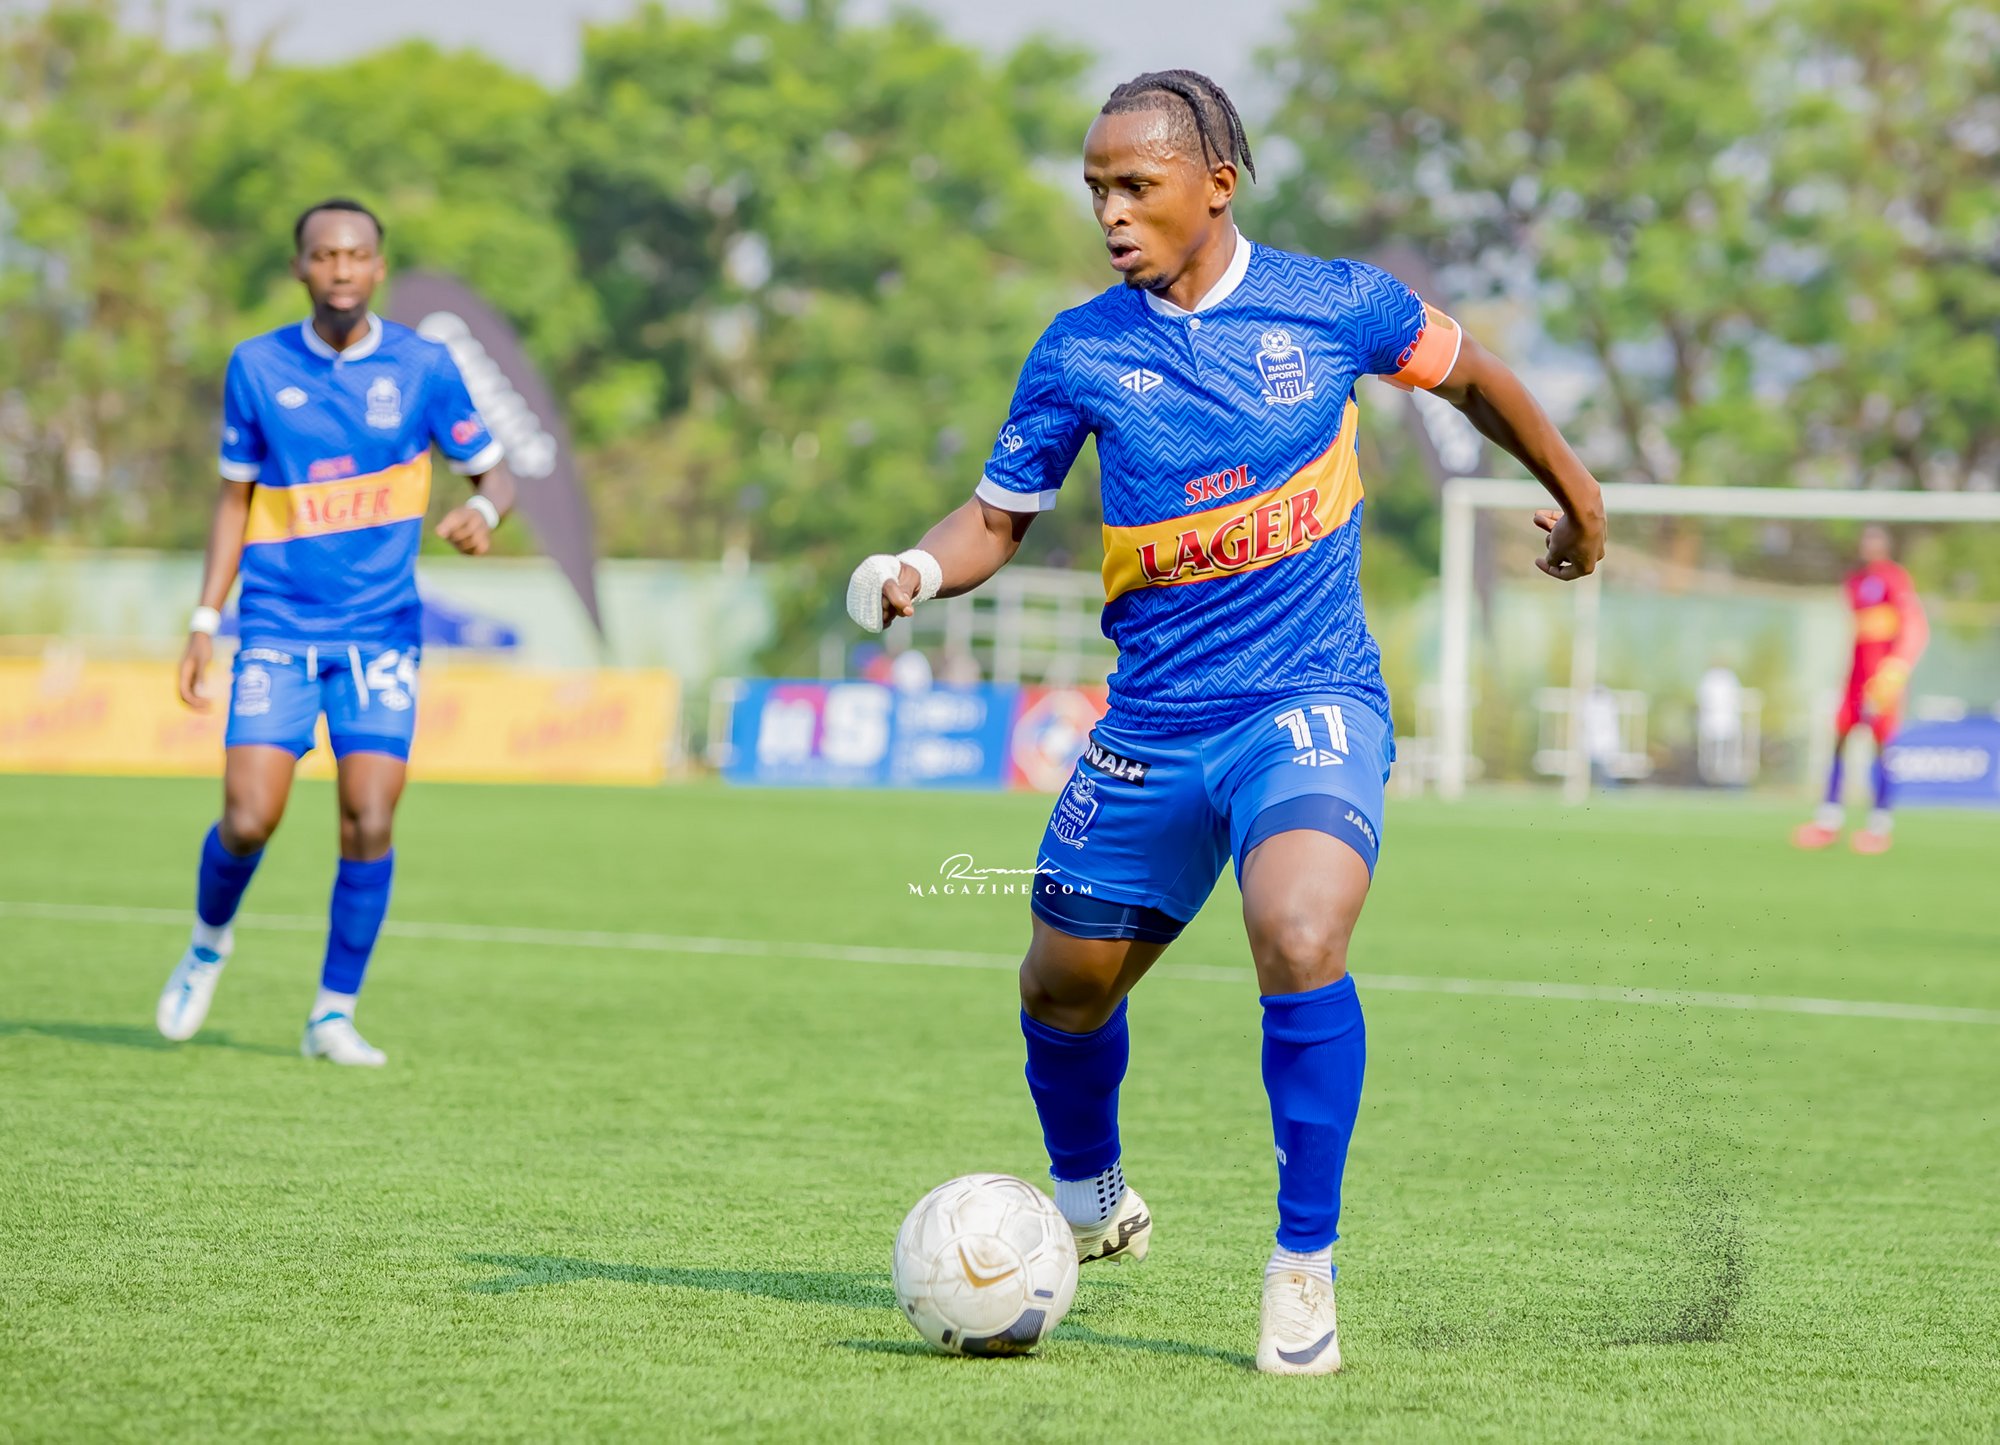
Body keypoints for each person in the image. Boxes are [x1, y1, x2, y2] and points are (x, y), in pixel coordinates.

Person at [844, 72, 1605, 1374]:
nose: (1110, 212)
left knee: (1299, 931)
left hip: (1306, 702)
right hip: (1150, 723)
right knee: (1060, 988)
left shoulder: (1336, 303)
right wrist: (917, 566)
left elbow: (1473, 376)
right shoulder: (1079, 349)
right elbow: (995, 517)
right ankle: (1090, 1196)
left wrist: (1579, 494)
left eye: (1134, 186)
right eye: (1095, 188)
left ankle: (1302, 1267)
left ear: (1216, 184)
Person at [155, 198, 511, 1065]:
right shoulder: (257, 364)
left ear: (379, 268)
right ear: (300, 268)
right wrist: (205, 617)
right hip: (277, 623)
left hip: (381, 633)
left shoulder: (424, 366)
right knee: (248, 818)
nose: (341, 269)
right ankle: (207, 943)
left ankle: (332, 1015)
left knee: (369, 818)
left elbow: (493, 473)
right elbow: (234, 499)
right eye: (324, 255)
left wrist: (484, 513)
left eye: (356, 255)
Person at [1793, 525, 1928, 854]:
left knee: (1881, 746)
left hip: (1883, 677)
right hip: (1855, 677)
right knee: (1839, 739)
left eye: (1875, 541)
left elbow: (1915, 627)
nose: (1869, 547)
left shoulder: (1895, 579)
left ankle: (1879, 825)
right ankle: (1828, 820)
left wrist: (1897, 669)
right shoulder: (1853, 582)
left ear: (1886, 546)